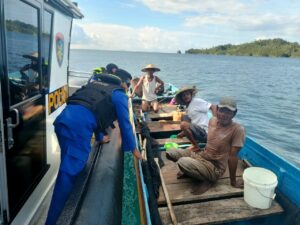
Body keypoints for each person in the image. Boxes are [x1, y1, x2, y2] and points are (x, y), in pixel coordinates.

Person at [45, 69, 142, 225]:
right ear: (122, 83)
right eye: (128, 83)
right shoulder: (119, 95)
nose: (128, 86)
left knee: (68, 164)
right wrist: (134, 150)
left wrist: (100, 136)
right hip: (77, 129)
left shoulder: (93, 86)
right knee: (68, 174)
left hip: (63, 121)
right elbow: (125, 125)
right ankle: (53, 221)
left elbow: (94, 109)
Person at [166, 97, 245, 188]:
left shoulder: (237, 129)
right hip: (202, 156)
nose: (224, 114)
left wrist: (233, 182)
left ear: (234, 114)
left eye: (228, 112)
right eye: (222, 110)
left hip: (215, 167)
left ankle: (206, 177)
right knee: (170, 152)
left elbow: (233, 157)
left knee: (183, 161)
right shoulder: (212, 121)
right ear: (217, 110)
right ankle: (194, 172)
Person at [175, 86, 217, 152]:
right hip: (198, 131)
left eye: (187, 94)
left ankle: (196, 146)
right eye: (183, 95)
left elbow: (213, 107)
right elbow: (193, 122)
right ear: (181, 98)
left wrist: (215, 121)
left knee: (183, 124)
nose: (186, 96)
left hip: (205, 133)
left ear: (191, 95)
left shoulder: (197, 101)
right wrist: (182, 133)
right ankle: (195, 140)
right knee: (184, 117)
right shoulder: (188, 107)